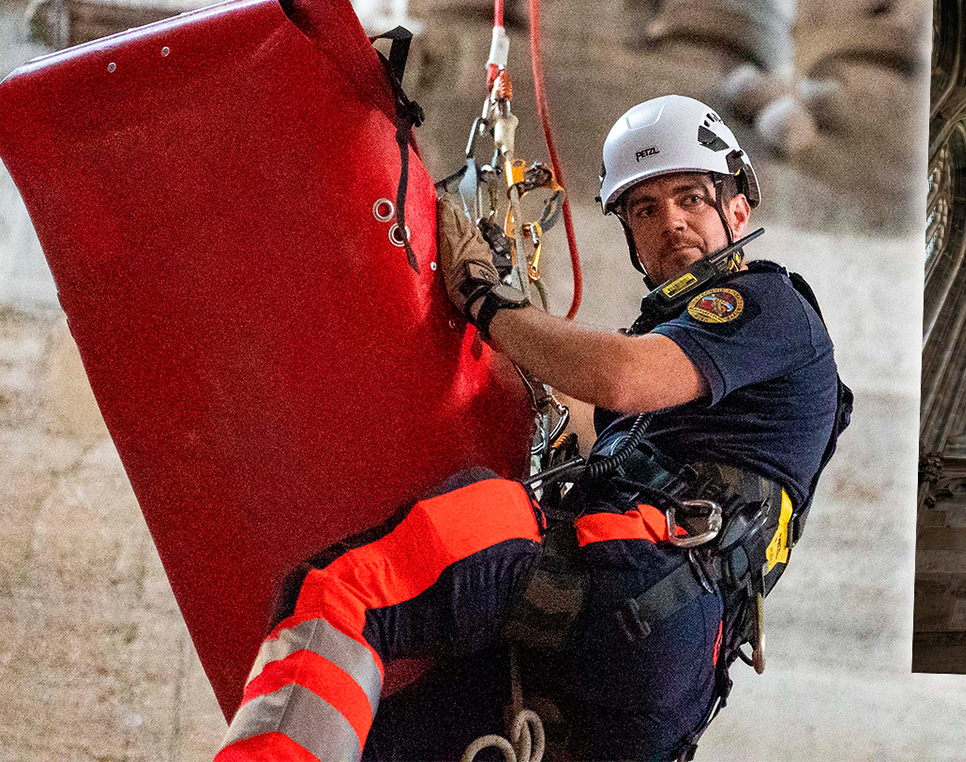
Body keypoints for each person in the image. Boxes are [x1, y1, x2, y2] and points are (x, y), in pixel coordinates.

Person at [216, 94, 850, 762]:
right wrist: (500, 334)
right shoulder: (689, 365)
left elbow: (623, 377)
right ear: (630, 233)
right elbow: (569, 412)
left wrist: (490, 303)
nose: (672, 223)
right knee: (388, 743)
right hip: (655, 676)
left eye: (692, 198)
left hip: (629, 572)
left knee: (345, 589)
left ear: (738, 209)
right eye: (645, 209)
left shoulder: (765, 306)